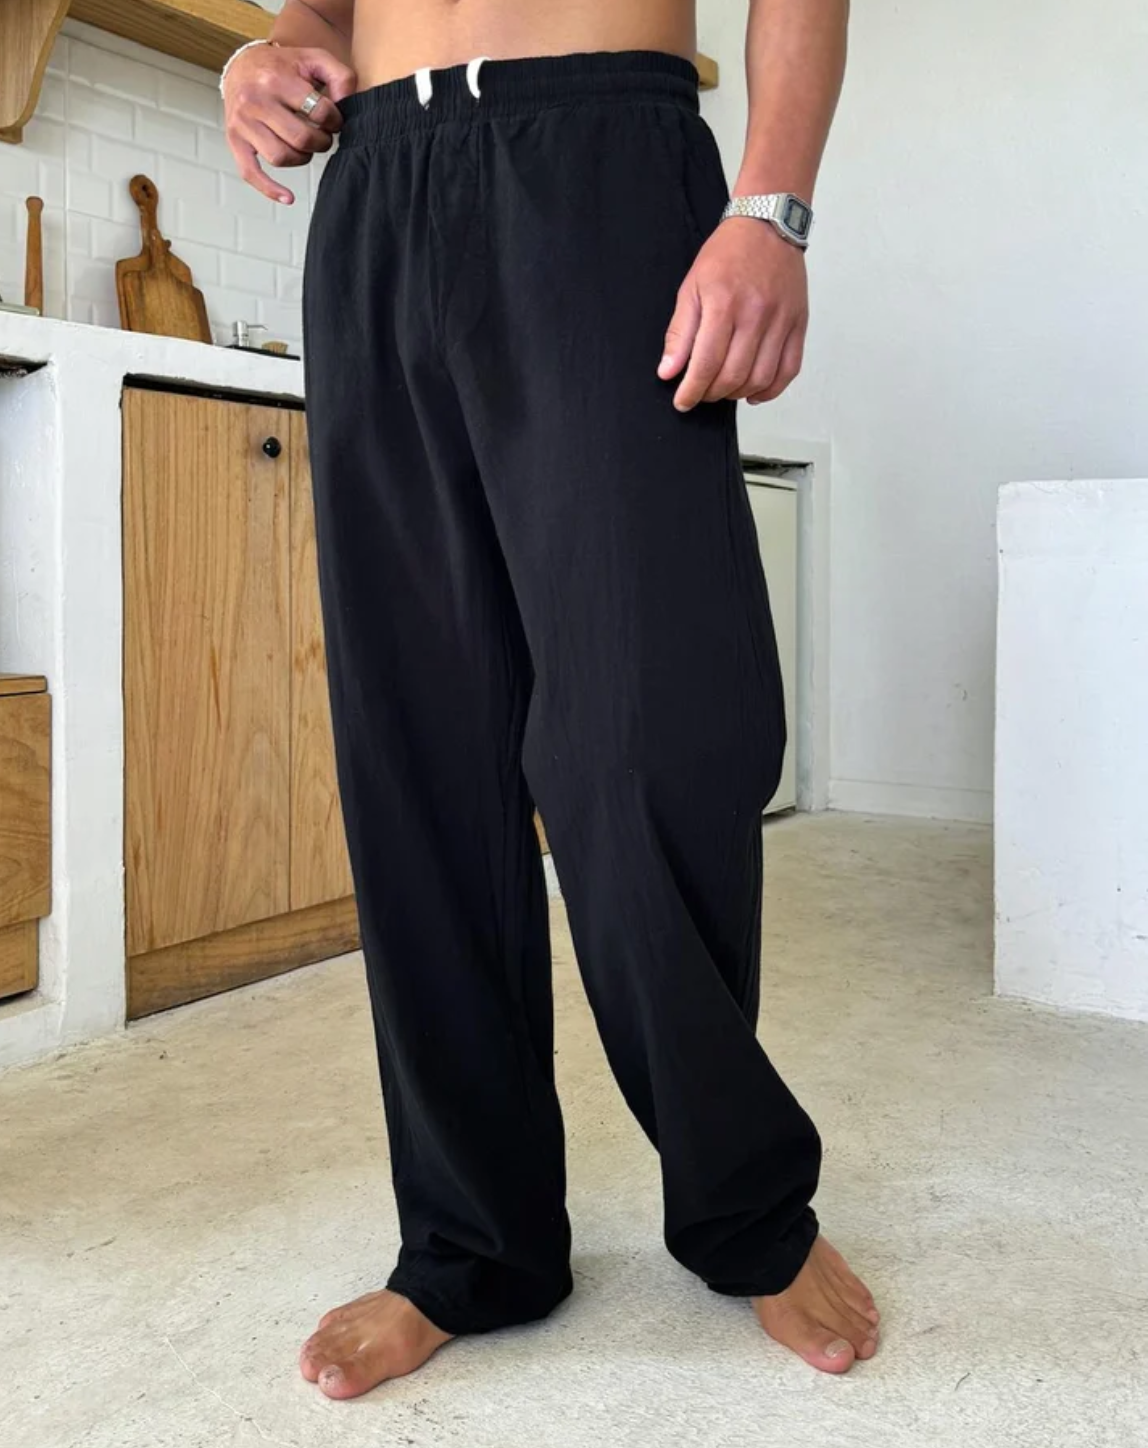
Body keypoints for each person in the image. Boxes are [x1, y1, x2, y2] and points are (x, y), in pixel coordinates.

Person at [221, 0, 876, 1401]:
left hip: (602, 162)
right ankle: (474, 1243)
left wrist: (771, 207)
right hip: (375, 192)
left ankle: (744, 1205)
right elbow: (321, 11)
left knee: (646, 737)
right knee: (419, 751)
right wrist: (261, 53)